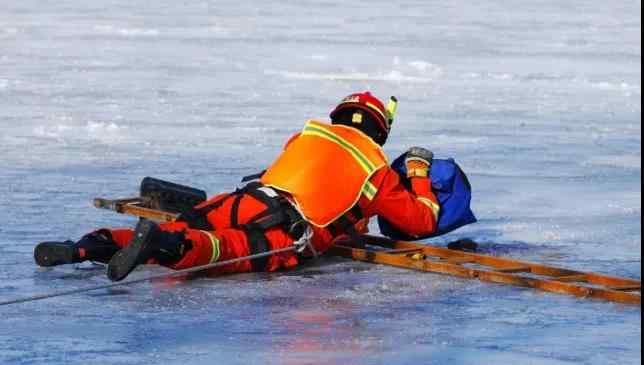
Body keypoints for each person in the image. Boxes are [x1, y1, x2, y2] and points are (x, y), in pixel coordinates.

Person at [34, 92, 441, 281]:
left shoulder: (310, 136)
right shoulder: (377, 169)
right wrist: (419, 170)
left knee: (189, 224)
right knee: (221, 250)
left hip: (243, 198)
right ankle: (159, 245)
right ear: (380, 131)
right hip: (284, 228)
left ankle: (85, 246)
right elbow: (421, 220)